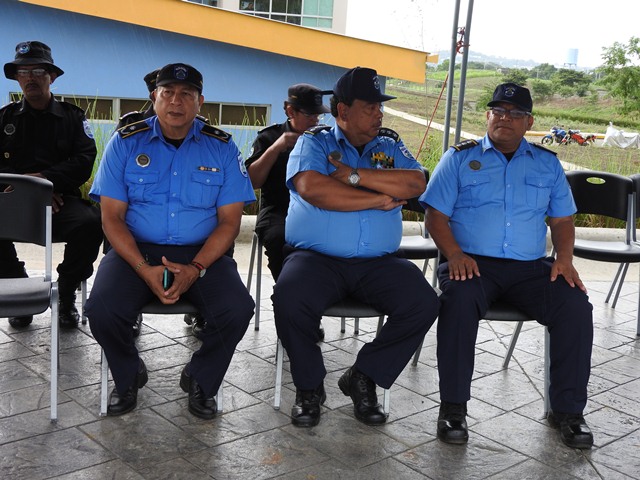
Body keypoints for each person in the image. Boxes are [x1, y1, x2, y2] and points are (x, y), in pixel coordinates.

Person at [421, 83, 594, 449]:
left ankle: (567, 411)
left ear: (528, 122)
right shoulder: (459, 158)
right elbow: (435, 216)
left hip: (530, 269)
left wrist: (564, 260)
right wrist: (454, 254)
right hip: (471, 264)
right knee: (458, 302)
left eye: (515, 114)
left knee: (575, 305)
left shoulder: (547, 163)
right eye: (498, 111)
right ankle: (453, 408)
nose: (505, 118)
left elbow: (562, 220)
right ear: (488, 116)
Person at [85, 63, 255, 419]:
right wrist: (142, 268)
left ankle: (201, 378)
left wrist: (196, 267)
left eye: (186, 94)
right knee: (101, 309)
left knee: (237, 309)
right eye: (168, 93)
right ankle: (128, 375)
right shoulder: (125, 142)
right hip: (136, 249)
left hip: (202, 253)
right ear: (155, 97)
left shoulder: (222, 148)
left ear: (200, 102)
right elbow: (111, 218)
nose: (176, 101)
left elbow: (229, 222)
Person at [272, 66, 440, 427]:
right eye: (370, 107)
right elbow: (313, 188)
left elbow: (416, 183)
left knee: (423, 302)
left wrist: (352, 175)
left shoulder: (389, 144)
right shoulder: (315, 142)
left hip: (378, 263)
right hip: (316, 260)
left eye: (380, 107)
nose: (379, 114)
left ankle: (363, 377)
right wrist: (377, 198)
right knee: (289, 298)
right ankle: (309, 387)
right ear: (343, 111)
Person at [0, 40, 103, 329]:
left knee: (92, 222)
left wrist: (46, 183)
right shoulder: (4, 118)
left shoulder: (72, 117)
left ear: (52, 77)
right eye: (23, 72)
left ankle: (66, 293)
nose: (30, 78)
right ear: (17, 78)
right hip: (13, 201)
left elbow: (84, 159)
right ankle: (19, 290)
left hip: (59, 201)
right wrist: (27, 189)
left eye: (38, 71)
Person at [245, 83, 330, 339]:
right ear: (290, 111)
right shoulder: (269, 137)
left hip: (317, 208)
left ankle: (311, 306)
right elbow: (252, 182)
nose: (315, 120)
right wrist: (276, 148)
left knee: (334, 239)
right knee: (279, 239)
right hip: (278, 209)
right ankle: (292, 306)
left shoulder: (324, 138)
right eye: (309, 114)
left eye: (318, 115)